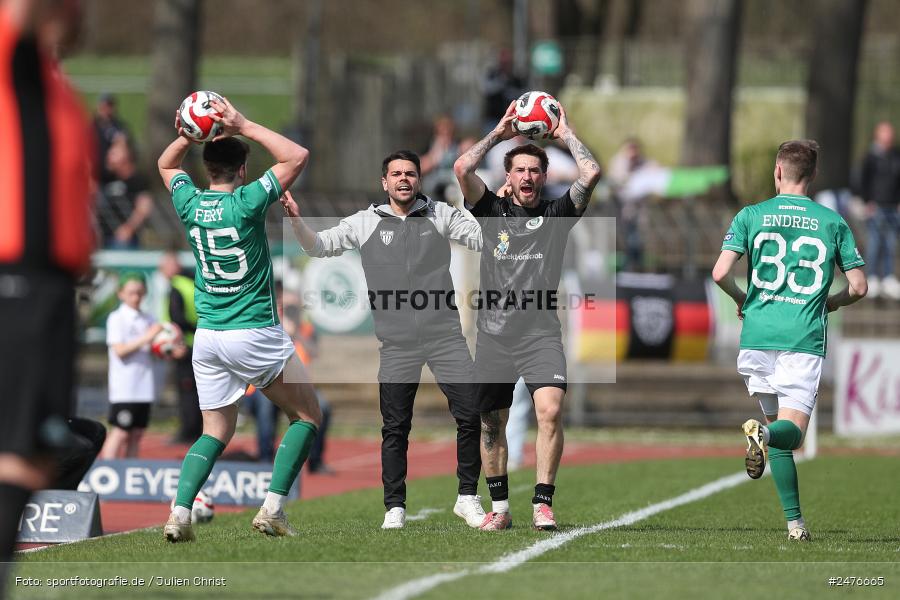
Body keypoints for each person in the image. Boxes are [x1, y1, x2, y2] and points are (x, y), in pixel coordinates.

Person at [281, 150, 486, 530]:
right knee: (395, 427)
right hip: (397, 344)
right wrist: (296, 221)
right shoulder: (364, 223)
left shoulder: (440, 214)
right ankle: (394, 507)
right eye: (396, 174)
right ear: (384, 182)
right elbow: (317, 246)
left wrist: (500, 211)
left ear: (419, 180)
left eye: (410, 173)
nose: (404, 179)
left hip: (445, 337)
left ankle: (468, 497)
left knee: (471, 411)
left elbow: (483, 240)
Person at [157, 96, 322, 542]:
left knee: (216, 431)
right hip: (251, 330)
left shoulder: (189, 202)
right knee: (307, 415)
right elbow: (297, 155)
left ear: (207, 167)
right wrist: (243, 124)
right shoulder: (248, 201)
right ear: (242, 170)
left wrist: (191, 132)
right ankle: (273, 509)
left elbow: (166, 166)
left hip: (208, 336)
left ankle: (180, 513)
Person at [453, 101, 601, 531]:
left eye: (535, 171)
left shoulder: (557, 215)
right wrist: (499, 133)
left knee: (550, 411)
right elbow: (462, 167)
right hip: (494, 335)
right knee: (491, 422)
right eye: (519, 170)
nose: (528, 177)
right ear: (508, 177)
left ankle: (542, 503)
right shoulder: (490, 212)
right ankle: (500, 509)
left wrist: (566, 133)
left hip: (540, 335)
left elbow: (590, 174)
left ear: (544, 176)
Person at [712, 140, 867, 541]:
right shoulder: (832, 221)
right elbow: (859, 286)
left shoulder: (752, 215)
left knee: (778, 438)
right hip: (802, 336)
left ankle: (795, 525)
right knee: (790, 434)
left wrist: (742, 298)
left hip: (758, 336)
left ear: (778, 171)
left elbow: (719, 274)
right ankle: (760, 438)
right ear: (812, 176)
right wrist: (829, 304)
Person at [0, 0, 95, 587]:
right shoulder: (16, 66)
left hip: (51, 290)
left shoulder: (60, 93)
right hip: (18, 279)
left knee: (27, 457)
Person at [100, 272, 170, 459]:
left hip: (144, 385)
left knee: (136, 434)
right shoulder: (117, 318)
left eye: (140, 292)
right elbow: (120, 350)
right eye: (131, 292)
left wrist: (169, 349)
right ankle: (109, 470)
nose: (136, 297)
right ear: (121, 293)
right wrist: (147, 337)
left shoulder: (149, 318)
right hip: (125, 387)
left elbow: (157, 348)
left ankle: (129, 471)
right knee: (121, 431)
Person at [158, 249, 202, 443]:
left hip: (185, 345)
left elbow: (177, 317)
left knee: (187, 391)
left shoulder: (176, 285)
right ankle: (198, 429)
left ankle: (188, 432)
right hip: (201, 342)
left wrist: (175, 340)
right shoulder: (193, 281)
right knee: (199, 389)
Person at [858, 122, 900, 300]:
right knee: (875, 243)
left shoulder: (896, 156)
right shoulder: (870, 157)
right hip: (875, 208)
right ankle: (873, 277)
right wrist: (867, 201)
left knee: (891, 243)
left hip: (893, 207)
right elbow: (861, 180)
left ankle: (889, 277)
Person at [98, 134, 153, 249]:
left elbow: (143, 208)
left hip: (124, 240)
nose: (109, 154)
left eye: (115, 150)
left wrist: (128, 229)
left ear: (127, 153)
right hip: (102, 237)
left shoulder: (137, 180)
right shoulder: (106, 178)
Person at [92, 92, 131, 184]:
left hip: (116, 174)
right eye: (103, 106)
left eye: (109, 106)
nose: (106, 110)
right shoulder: (92, 128)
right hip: (97, 171)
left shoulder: (120, 127)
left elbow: (127, 149)